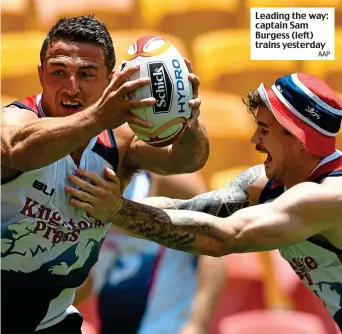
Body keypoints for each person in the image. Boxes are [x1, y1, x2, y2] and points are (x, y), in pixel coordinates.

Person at [67, 73, 342, 330]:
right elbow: (188, 210)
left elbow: (225, 237)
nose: (254, 140)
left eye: (264, 129)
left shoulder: (329, 196)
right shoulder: (266, 184)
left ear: (298, 137)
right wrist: (105, 205)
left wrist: (117, 210)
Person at [1, 14, 210, 334]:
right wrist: (98, 116)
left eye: (86, 74)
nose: (71, 86)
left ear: (110, 80)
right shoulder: (15, 121)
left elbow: (185, 160)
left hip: (51, 320)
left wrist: (189, 120)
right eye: (59, 72)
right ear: (41, 74)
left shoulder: (119, 143)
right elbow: (18, 149)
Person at [75, 171, 226, 334]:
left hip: (171, 327)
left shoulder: (169, 176)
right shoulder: (85, 184)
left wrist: (197, 324)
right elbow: (93, 279)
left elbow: (214, 247)